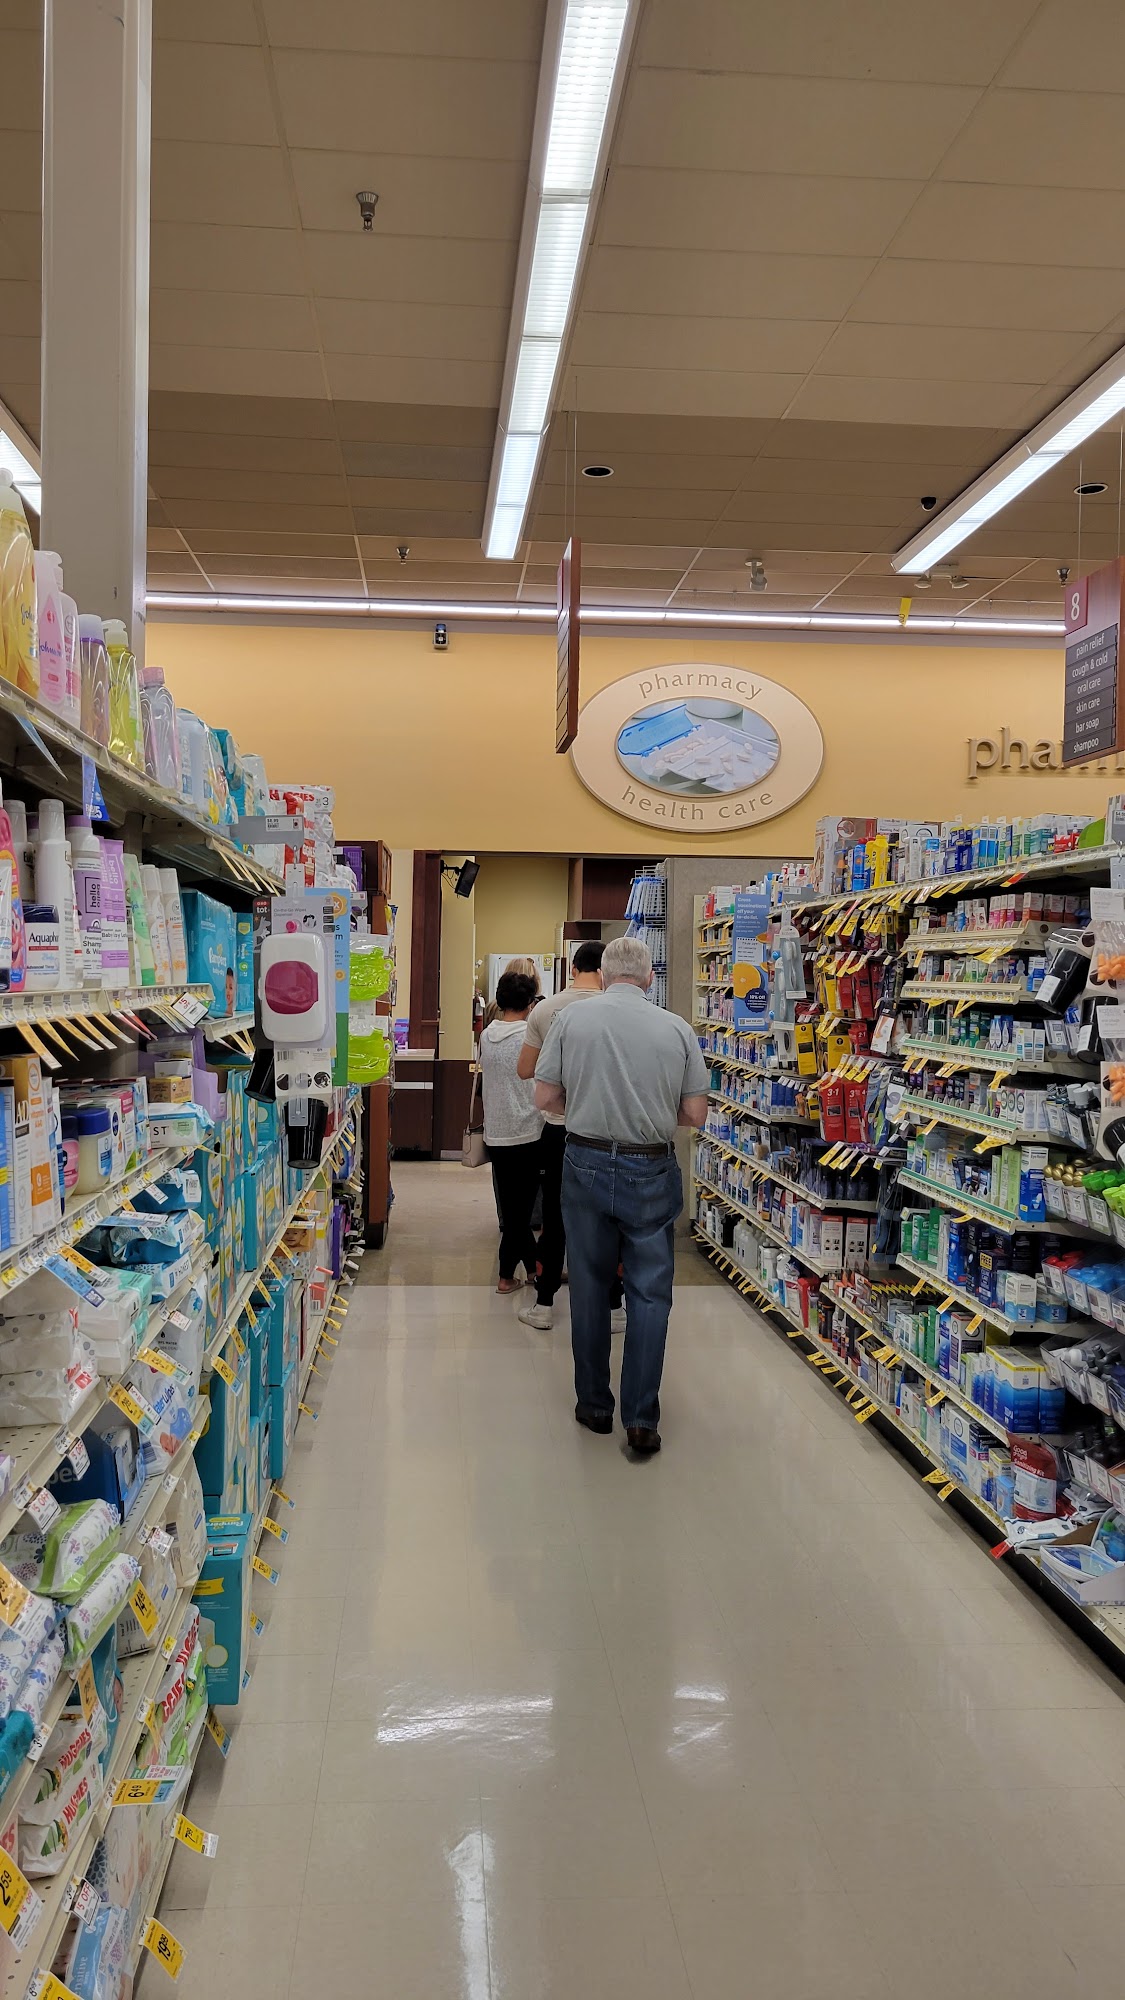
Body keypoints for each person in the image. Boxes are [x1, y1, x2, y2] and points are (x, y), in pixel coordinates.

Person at [534, 935, 708, 1452]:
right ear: (650, 977)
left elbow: (544, 1096)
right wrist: (651, 1115)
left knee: (588, 1286)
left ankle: (594, 1406)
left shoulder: (570, 1020)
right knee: (650, 1294)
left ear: (604, 976)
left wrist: (586, 1107)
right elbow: (695, 1114)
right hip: (651, 1166)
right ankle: (641, 1418)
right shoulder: (677, 1028)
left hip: (584, 1162)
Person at [515, 940, 625, 1336]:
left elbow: (525, 1069)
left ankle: (544, 1305)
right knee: (607, 1217)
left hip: (559, 1128)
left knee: (556, 1218)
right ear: (605, 970)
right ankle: (613, 1307)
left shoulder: (546, 1010)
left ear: (573, 968)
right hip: (607, 1130)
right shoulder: (619, 1011)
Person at [478, 969, 544, 1293]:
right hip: (529, 1130)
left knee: (512, 1206)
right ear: (530, 1003)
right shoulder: (530, 1038)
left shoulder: (486, 1035)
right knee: (522, 1212)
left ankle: (532, 1270)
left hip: (496, 1131)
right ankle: (506, 1276)